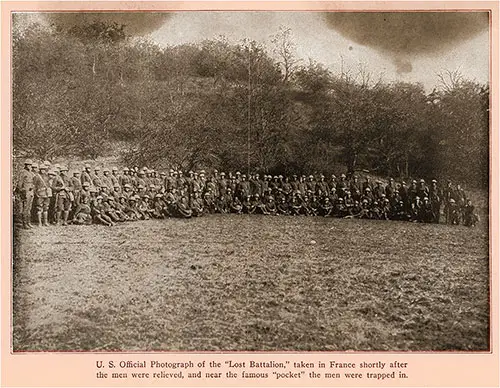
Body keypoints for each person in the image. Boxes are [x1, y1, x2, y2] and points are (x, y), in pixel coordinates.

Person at [16, 159, 35, 229]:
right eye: (28, 165)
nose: (29, 166)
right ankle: (24, 224)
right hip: (25, 192)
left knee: (29, 208)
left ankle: (28, 222)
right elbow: (19, 184)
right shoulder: (23, 172)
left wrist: (32, 186)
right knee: (25, 208)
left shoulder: (30, 173)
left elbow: (32, 182)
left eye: (30, 165)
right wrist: (22, 191)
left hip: (30, 192)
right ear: (25, 165)